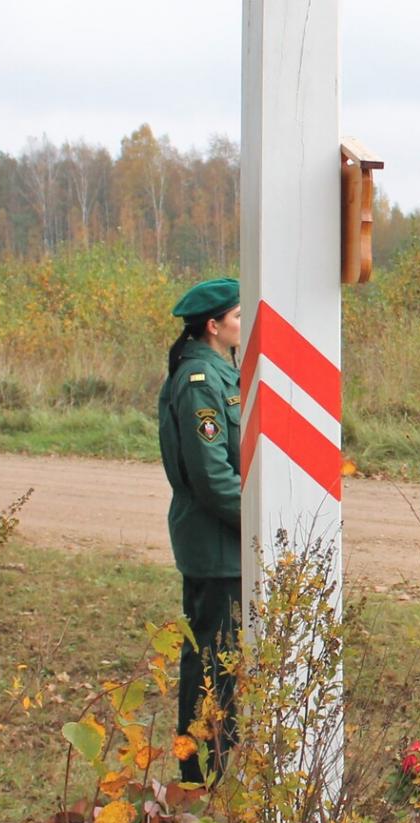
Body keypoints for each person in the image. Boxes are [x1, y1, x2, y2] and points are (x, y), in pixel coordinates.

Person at [157, 277, 243, 783]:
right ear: (213, 326)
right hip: (216, 546)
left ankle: (213, 768)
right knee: (211, 662)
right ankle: (199, 777)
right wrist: (263, 521)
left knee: (222, 659)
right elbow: (212, 476)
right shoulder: (199, 382)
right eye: (237, 317)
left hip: (225, 545)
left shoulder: (222, 371)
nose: (244, 324)